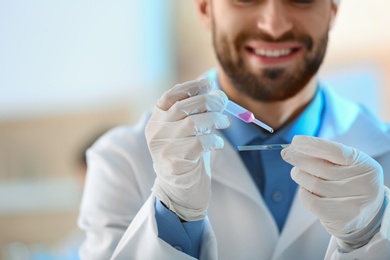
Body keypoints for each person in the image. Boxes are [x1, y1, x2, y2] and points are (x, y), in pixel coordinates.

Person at [78, 0, 390, 259]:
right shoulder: (121, 161)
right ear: (205, 9)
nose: (274, 26)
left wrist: (372, 234)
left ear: (333, 9)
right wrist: (174, 214)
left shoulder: (383, 153)